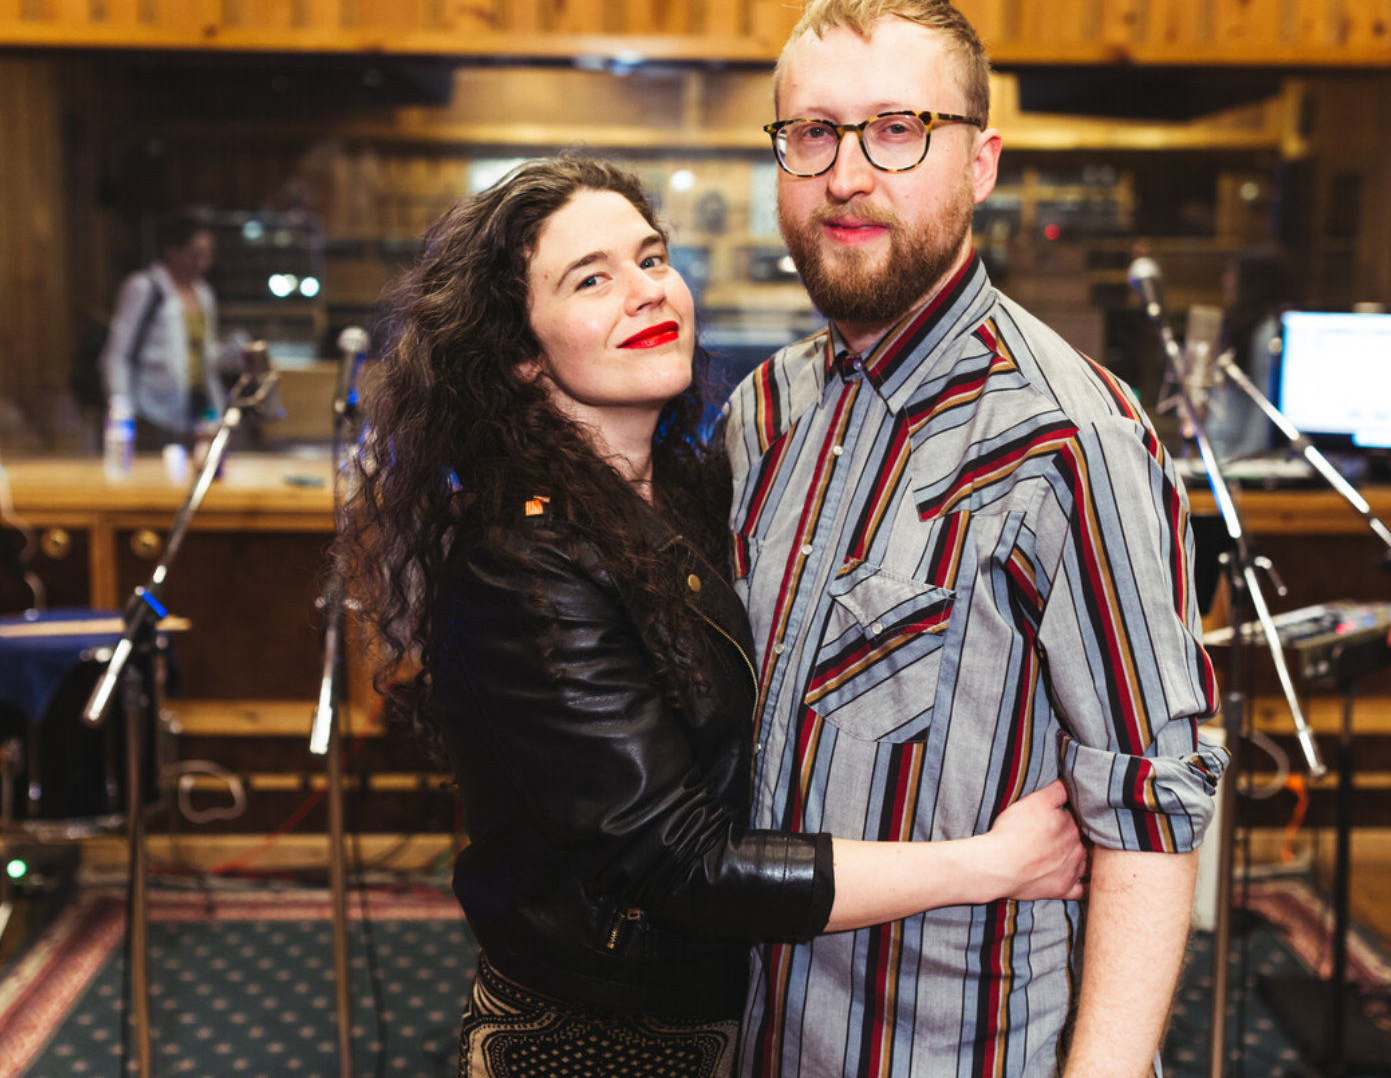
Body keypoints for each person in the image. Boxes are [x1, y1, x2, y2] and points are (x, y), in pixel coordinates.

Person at [346, 156, 1088, 1078]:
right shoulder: (522, 560)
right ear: (521, 353)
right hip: (592, 1039)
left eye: (651, 259)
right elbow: (683, 865)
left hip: (720, 1014)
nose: (645, 292)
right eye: (592, 279)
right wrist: (993, 866)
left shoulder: (693, 488)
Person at [726, 0, 1229, 1077]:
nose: (846, 174)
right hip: (755, 1040)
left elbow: (1149, 804)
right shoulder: (763, 411)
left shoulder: (1070, 439)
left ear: (980, 163)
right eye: (812, 133)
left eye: (897, 129)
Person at [99, 215, 225, 450]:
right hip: (152, 408)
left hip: (199, 404)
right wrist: (120, 406)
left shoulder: (205, 294)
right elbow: (118, 353)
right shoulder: (145, 287)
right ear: (172, 251)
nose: (202, 262)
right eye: (194, 254)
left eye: (207, 254)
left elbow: (202, 350)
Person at [1203, 245, 1290, 460]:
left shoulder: (1268, 334)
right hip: (1223, 451)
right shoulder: (1243, 327)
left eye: (1233, 274)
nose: (1226, 281)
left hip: (1244, 458)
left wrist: (1249, 460)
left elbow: (1264, 405)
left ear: (1253, 282)